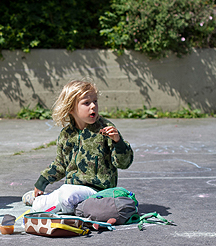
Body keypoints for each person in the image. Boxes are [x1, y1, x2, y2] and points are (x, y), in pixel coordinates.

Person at [22, 80, 133, 214]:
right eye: (86, 103)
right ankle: (44, 201)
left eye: (95, 101)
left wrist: (118, 142)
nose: (93, 106)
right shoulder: (66, 134)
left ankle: (73, 211)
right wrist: (42, 182)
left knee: (66, 194)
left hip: (99, 192)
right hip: (73, 190)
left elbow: (123, 163)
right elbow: (60, 164)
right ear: (71, 108)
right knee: (40, 207)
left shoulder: (105, 129)